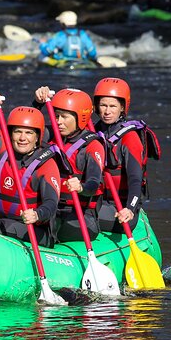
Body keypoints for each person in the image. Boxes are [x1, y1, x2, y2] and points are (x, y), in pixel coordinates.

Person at [0, 93, 62, 248]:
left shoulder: (47, 165)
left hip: (31, 227)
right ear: (11, 133)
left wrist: (37, 214)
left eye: (29, 133)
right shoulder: (2, 148)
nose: (22, 138)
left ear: (37, 137)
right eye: (18, 132)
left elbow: (51, 203)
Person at [33, 87, 105, 242]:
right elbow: (26, 130)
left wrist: (81, 187)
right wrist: (37, 104)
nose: (58, 121)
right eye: (56, 116)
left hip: (80, 216)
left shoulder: (92, 146)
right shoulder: (49, 135)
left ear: (81, 117)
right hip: (49, 208)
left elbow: (94, 183)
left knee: (50, 226)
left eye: (64, 117)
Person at [93, 77, 160, 233]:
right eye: (103, 105)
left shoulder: (129, 138)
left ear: (122, 108)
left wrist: (129, 208)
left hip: (121, 207)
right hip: (97, 202)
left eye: (112, 106)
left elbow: (135, 180)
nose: (107, 111)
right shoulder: (92, 133)